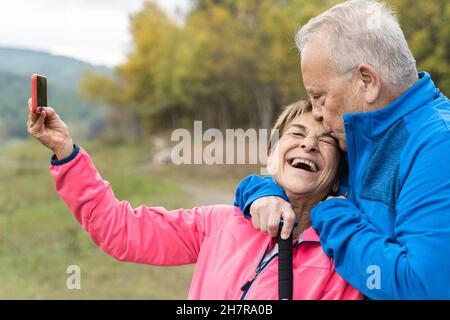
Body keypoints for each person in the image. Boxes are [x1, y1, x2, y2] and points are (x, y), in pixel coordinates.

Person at [26, 99, 362, 300]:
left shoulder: (343, 258)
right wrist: (65, 153)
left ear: (338, 175)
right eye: (297, 134)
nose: (308, 145)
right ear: (271, 155)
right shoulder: (217, 223)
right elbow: (121, 231)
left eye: (326, 141)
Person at [233, 0, 450, 299]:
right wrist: (263, 191)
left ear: (367, 82)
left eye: (319, 96)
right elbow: (302, 184)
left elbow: (424, 289)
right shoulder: (362, 136)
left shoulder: (439, 145)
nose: (317, 112)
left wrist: (332, 214)